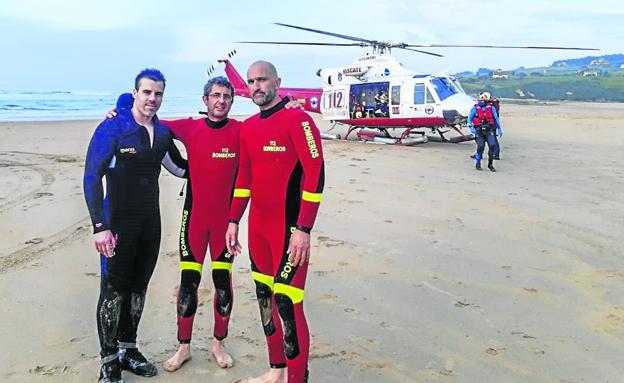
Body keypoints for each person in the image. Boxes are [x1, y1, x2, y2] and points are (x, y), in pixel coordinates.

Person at [109, 77, 304, 374]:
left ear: (232, 100)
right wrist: (120, 110)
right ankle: (183, 347)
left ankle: (217, 343)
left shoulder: (242, 130)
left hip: (225, 223)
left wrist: (288, 101)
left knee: (223, 285)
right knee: (189, 282)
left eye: (227, 96)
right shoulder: (190, 128)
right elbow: (148, 115)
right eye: (215, 95)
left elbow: (271, 118)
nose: (221, 101)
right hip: (195, 220)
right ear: (205, 100)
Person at [84, 68, 188, 383]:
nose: (152, 99)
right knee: (113, 290)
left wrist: (222, 157)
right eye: (147, 92)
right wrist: (99, 226)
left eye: (158, 94)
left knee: (138, 288)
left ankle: (128, 349)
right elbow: (91, 176)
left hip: (149, 225)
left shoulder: (163, 134)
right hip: (117, 223)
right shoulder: (113, 128)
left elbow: (181, 169)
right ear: (134, 92)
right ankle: (108, 360)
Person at [226, 60, 325, 383]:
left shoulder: (299, 120)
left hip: (289, 232)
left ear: (277, 82)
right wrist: (233, 221)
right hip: (258, 231)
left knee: (288, 302)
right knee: (265, 297)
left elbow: (316, 173)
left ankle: (297, 379)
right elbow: (244, 177)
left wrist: (304, 229)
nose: (256, 86)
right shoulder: (248, 127)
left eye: (263, 80)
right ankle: (277, 370)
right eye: (252, 81)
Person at [468, 91, 502, 171]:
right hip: (479, 131)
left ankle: (490, 164)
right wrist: (471, 127)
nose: (480, 102)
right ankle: (478, 163)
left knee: (492, 145)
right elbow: (469, 119)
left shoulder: (491, 108)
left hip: (489, 130)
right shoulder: (474, 109)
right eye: (479, 100)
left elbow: (496, 119)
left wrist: (499, 129)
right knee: (480, 147)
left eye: (482, 100)